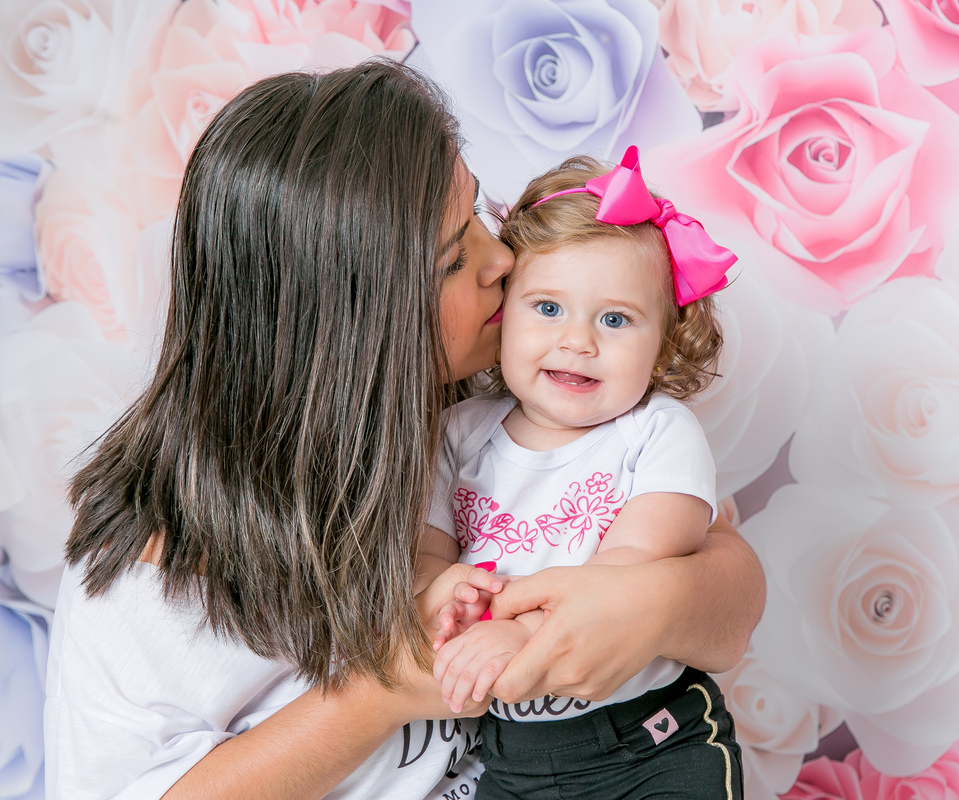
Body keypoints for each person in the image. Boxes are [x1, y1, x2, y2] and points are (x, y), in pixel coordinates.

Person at [43, 59, 764, 800]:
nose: (505, 261)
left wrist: (652, 606)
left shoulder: (487, 405)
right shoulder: (154, 562)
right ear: (348, 325)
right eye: (455, 259)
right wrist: (381, 690)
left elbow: (728, 590)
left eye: (481, 216)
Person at [416, 148, 742, 799]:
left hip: (647, 744)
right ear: (504, 311)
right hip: (513, 758)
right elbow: (428, 554)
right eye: (548, 308)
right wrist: (436, 594)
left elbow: (628, 569)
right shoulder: (457, 435)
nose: (579, 341)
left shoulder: (657, 433)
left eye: (615, 320)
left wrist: (521, 633)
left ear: (665, 339)